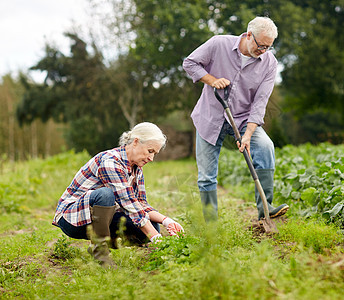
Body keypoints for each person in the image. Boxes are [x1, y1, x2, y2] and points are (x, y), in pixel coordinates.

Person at [183, 16, 289, 221]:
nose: (264, 51)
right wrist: (212, 80)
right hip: (210, 116)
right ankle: (211, 224)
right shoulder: (218, 44)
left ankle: (265, 209)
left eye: (269, 47)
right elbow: (190, 63)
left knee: (265, 147)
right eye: (261, 46)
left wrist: (248, 134)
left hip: (242, 118)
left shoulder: (269, 63)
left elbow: (260, 102)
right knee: (206, 176)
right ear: (249, 35)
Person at [52, 122, 184, 267]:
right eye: (150, 151)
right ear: (135, 142)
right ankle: (100, 253)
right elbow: (129, 205)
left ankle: (102, 240)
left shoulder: (136, 169)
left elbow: (140, 204)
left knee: (151, 226)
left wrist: (166, 221)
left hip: (97, 217)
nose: (151, 158)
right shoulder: (110, 161)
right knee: (105, 195)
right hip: (71, 217)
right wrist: (158, 240)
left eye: (155, 154)